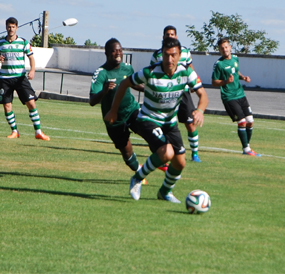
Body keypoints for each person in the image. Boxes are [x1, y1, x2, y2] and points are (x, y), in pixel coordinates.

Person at [105, 37, 209, 203]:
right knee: (167, 152)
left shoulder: (186, 72)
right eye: (166, 55)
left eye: (173, 55)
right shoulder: (150, 72)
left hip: (170, 123)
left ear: (179, 55)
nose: (170, 59)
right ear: (162, 55)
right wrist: (113, 111)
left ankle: (164, 192)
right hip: (148, 119)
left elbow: (203, 95)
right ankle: (137, 178)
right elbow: (125, 83)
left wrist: (200, 110)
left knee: (180, 163)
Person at [89, 38, 145, 177]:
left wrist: (151, 90)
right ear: (107, 53)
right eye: (114, 51)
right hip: (114, 120)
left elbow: (134, 84)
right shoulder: (101, 73)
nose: (118, 53)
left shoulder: (127, 68)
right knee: (127, 152)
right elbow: (92, 100)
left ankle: (160, 156)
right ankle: (139, 172)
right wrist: (104, 91)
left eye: (120, 50)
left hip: (131, 110)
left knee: (147, 129)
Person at [150, 25, 201, 163]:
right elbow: (152, 73)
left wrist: (194, 82)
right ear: (163, 37)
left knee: (190, 124)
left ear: (176, 36)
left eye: (172, 34)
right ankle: (164, 152)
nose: (170, 36)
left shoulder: (185, 52)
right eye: (167, 34)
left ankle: (195, 154)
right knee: (163, 125)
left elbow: (190, 68)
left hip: (182, 93)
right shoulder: (157, 55)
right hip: (165, 94)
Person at [0, 17, 50, 140]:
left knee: (31, 103)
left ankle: (38, 132)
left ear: (17, 28)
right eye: (9, 27)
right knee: (7, 106)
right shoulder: (0, 43)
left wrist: (32, 70)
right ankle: (14, 131)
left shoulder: (23, 42)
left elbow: (31, 57)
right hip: (5, 79)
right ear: (6, 27)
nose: (11, 29)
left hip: (20, 78)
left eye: (13, 27)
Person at [211, 37, 261, 157]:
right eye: (222, 48)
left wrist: (243, 77)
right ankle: (246, 148)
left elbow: (235, 71)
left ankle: (247, 147)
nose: (224, 50)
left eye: (226, 47)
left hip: (240, 94)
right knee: (242, 121)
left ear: (230, 47)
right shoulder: (219, 64)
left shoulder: (235, 58)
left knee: (250, 121)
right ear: (219, 50)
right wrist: (226, 82)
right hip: (229, 96)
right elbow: (214, 82)